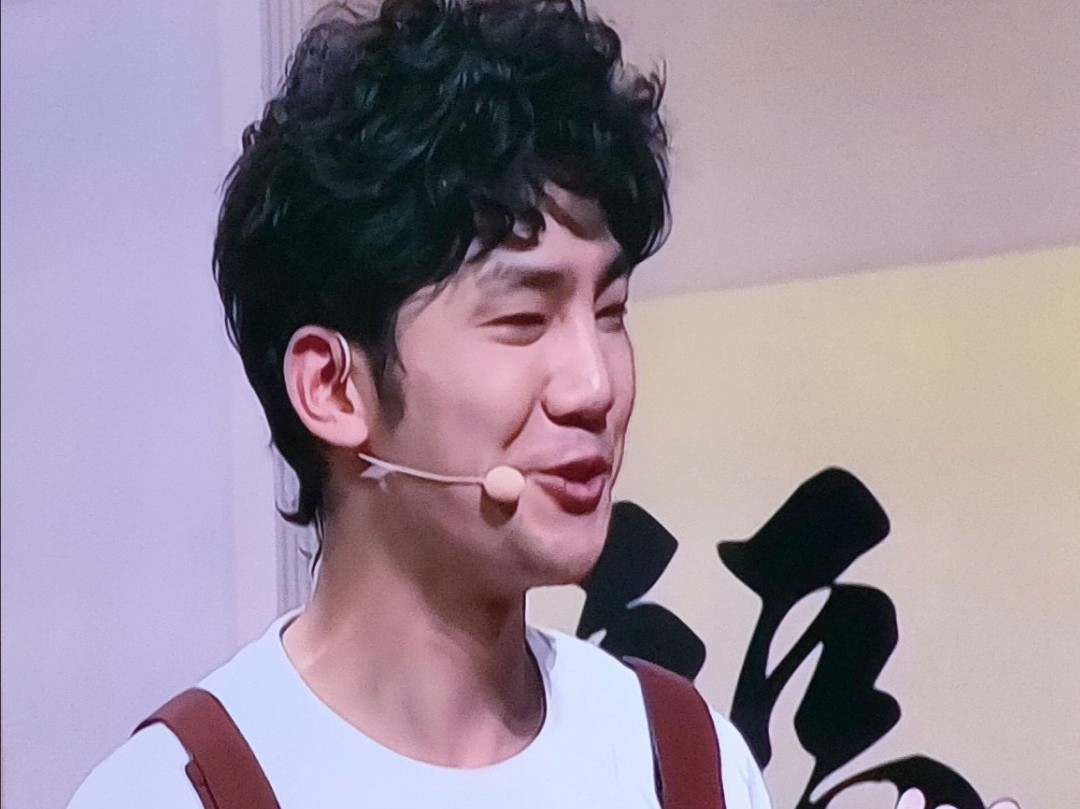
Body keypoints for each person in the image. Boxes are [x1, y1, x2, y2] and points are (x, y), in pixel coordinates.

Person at [69, 1, 772, 806]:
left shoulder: (685, 759)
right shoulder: (174, 790)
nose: (595, 387)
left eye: (611, 313)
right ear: (332, 387)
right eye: (523, 319)